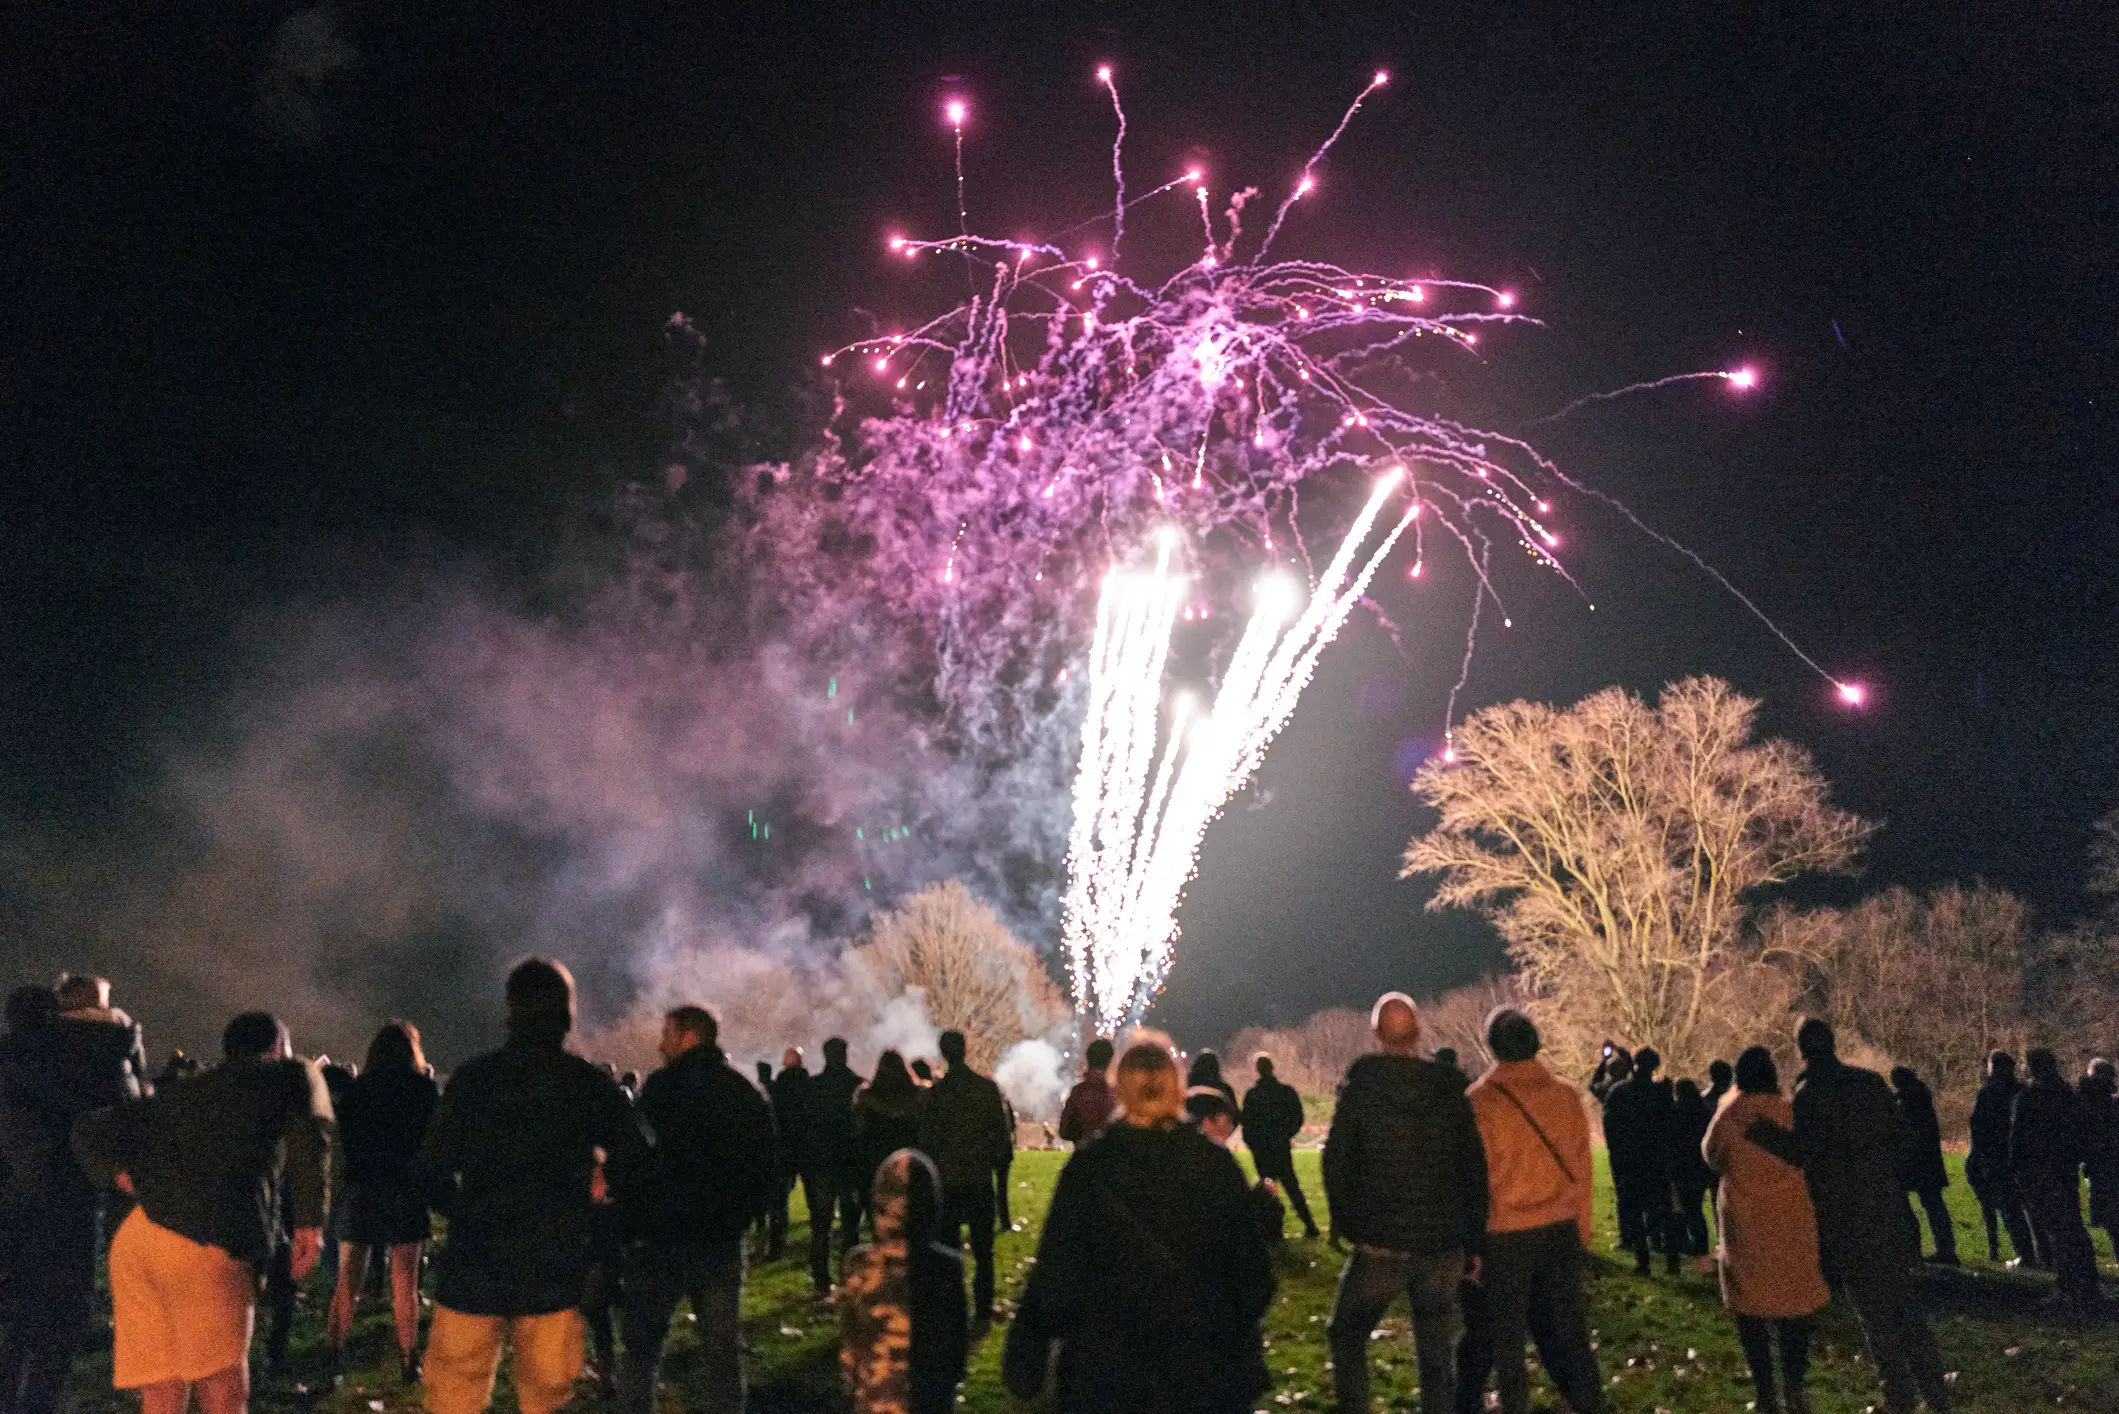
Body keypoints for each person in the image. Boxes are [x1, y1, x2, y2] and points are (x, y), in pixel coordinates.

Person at [414, 958, 651, 1414]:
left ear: (511, 1009)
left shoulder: (475, 1078)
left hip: (475, 1265)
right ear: (567, 1014)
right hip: (554, 1266)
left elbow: (429, 1168)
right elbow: (640, 1157)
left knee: (452, 1400)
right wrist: (597, 1213)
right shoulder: (586, 1084)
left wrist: (464, 1213)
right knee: (546, 1398)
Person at [73, 1010, 331, 1414]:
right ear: (278, 1049)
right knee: (222, 1388)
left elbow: (89, 1129)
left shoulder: (185, 1091)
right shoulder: (284, 1075)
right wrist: (310, 1223)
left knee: (161, 1392)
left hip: (138, 1242)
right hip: (204, 1246)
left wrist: (121, 1174)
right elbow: (311, 1133)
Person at [1004, 1034, 1273, 1413]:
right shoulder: (1215, 1167)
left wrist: (1030, 1348)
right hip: (1203, 1373)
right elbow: (1254, 1276)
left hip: (1109, 1375)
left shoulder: (1090, 1168)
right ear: (1177, 1087)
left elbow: (1058, 1273)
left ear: (1119, 1089)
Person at [1747, 1019, 1953, 1414]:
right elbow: (1904, 1138)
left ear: (1802, 1049)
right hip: (1888, 1208)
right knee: (1905, 1305)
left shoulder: (1811, 1093)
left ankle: (1899, 1395)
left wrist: (1764, 1134)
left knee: (1874, 1311)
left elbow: (1801, 1151)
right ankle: (1935, 1392)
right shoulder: (1870, 1084)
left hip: (1847, 1217)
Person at [1322, 993, 1488, 1414]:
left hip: (1381, 1241)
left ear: (1376, 1034)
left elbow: (1336, 1162)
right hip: (1441, 1240)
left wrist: (1348, 1223)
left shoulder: (1362, 1091)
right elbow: (1473, 1167)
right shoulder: (1450, 1092)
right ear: (1419, 1032)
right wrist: (1473, 1241)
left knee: (1347, 1334)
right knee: (1436, 1351)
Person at [619, 1004, 777, 1414]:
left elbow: (635, 1156)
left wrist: (637, 1214)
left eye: (666, 1033)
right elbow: (766, 1168)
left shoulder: (662, 1089)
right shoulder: (743, 1093)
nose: (660, 1043)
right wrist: (739, 1217)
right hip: (719, 1241)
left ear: (689, 1036)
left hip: (661, 1240)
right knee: (722, 1357)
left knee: (641, 1350)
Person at [1454, 1008, 1605, 1414]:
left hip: (1505, 1235)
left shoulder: (1479, 1103)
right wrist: (1583, 1230)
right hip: (1559, 1229)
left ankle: (1515, 1406)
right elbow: (1582, 1172)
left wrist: (1471, 1249)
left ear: (1492, 1047)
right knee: (1572, 1336)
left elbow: (1473, 1183)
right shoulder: (1566, 1097)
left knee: (1508, 1345)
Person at [0, 980, 139, 1414]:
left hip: (12, 1201)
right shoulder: (84, 1058)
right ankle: (39, 1401)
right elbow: (122, 1107)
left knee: (14, 1316)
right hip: (67, 1199)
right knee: (61, 1315)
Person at [1705, 1047, 1830, 1414]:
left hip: (1745, 1224)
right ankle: (1795, 1388)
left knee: (1751, 1309)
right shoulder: (1790, 1112)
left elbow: (1711, 1156)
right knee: (1794, 1305)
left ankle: (1765, 1394)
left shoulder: (1730, 1117)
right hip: (1791, 1220)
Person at [325, 1021, 439, 1383]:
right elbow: (432, 1142)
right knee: (405, 1280)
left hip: (362, 1189)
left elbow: (343, 1143)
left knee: (349, 1278)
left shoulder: (357, 1092)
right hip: (404, 1189)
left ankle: (334, 1349)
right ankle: (409, 1358)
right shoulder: (422, 1090)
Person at [840, 1148, 970, 1414]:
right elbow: (957, 1343)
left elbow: (850, 1339)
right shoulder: (946, 1266)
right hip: (930, 1397)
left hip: (877, 1396)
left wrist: (853, 1382)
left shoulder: (860, 1265)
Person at [916, 1030, 1011, 1325]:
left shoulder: (936, 1094)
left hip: (947, 1181)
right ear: (966, 1049)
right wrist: (989, 1161)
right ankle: (983, 1307)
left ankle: (952, 1307)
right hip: (978, 1179)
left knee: (950, 1248)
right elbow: (1001, 1132)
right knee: (984, 1250)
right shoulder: (985, 1089)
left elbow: (925, 1138)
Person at [2010, 1047, 2099, 1309]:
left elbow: (2019, 1137)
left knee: (2057, 1230)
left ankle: (2067, 1286)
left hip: (2038, 1169)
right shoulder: (2067, 1095)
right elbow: (2080, 1131)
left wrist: (2018, 1170)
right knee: (2072, 1227)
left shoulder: (2029, 1096)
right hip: (2063, 1167)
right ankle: (2085, 1283)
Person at [1602, 1045, 1678, 1274]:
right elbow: (1672, 1126)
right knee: (1664, 1210)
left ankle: (1642, 1260)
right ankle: (1672, 1260)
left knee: (1633, 1210)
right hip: (1657, 1159)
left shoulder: (1619, 1092)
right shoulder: (1661, 1094)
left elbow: (1610, 1128)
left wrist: (1617, 1152)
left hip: (1629, 1159)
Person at [1187, 1086, 1286, 1247]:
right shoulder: (1213, 1159)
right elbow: (1234, 1213)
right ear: (1209, 1121)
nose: (1230, 1128)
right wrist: (1265, 1196)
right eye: (1227, 1121)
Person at [1966, 1051, 2038, 1265]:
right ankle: (2044, 1252)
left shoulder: (1988, 1093)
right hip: (2023, 1157)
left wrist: (1979, 1157)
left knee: (2010, 1209)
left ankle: (2024, 1254)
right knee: (2031, 1208)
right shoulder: (2022, 1091)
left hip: (1996, 1158)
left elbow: (1978, 1127)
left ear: (1994, 1068)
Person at [1240, 1052, 1319, 1239]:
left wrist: (1253, 1144)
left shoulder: (1252, 1095)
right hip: (1280, 1148)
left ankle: (1270, 1230)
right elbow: (1298, 1117)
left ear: (1257, 1070)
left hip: (1262, 1150)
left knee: (1267, 1192)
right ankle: (1310, 1225)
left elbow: (1246, 1123)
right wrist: (1285, 1135)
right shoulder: (1285, 1092)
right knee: (1292, 1187)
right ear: (1272, 1068)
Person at [808, 1037, 865, 1292]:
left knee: (821, 1223)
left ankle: (821, 1278)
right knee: (850, 1224)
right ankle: (849, 1275)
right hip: (850, 1163)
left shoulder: (815, 1087)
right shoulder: (857, 1086)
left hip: (822, 1163)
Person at [1889, 1067, 1958, 1266]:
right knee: (1934, 1205)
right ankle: (1945, 1249)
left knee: (1916, 1206)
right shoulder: (1920, 1096)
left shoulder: (1909, 1100)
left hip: (1916, 1161)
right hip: (1928, 1161)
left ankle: (1915, 1250)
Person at [52, 974, 151, 1099]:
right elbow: (139, 1066)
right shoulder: (121, 1021)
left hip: (75, 1097)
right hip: (122, 1093)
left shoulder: (58, 1024)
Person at [769, 1046, 812, 1261]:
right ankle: (816, 1240)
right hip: (807, 1146)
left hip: (785, 1147)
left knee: (779, 1199)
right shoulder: (810, 1085)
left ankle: (776, 1246)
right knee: (815, 1197)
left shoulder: (780, 1086)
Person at [1669, 1078, 1716, 1262]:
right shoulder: (1703, 1111)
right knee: (1694, 1207)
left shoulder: (1676, 1112)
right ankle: (1699, 1244)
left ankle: (1693, 1245)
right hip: (1700, 1166)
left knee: (1686, 1208)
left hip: (1682, 1166)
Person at [2081, 1060, 2119, 1252]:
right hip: (2106, 1164)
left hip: (2100, 1165)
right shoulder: (2112, 1104)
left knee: (2109, 1216)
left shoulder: (2087, 1105)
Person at [1056, 1038, 1115, 1145]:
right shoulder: (1117, 1095)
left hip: (1083, 1155)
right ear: (1110, 1061)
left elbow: (1064, 1131)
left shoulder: (1078, 1093)